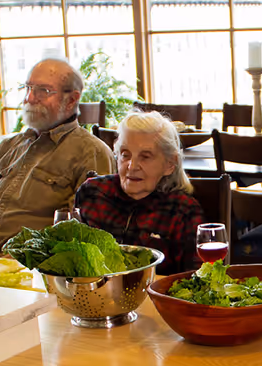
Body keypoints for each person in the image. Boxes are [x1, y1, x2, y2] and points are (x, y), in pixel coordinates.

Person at [0, 58, 114, 255]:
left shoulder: (92, 153)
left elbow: (83, 236)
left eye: (43, 91)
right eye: (28, 88)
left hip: (32, 272)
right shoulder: (6, 147)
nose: (30, 98)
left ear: (72, 99)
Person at [76, 111, 203, 273]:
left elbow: (196, 278)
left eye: (145, 156)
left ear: (170, 164)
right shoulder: (93, 193)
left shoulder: (182, 210)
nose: (132, 166)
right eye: (125, 155)